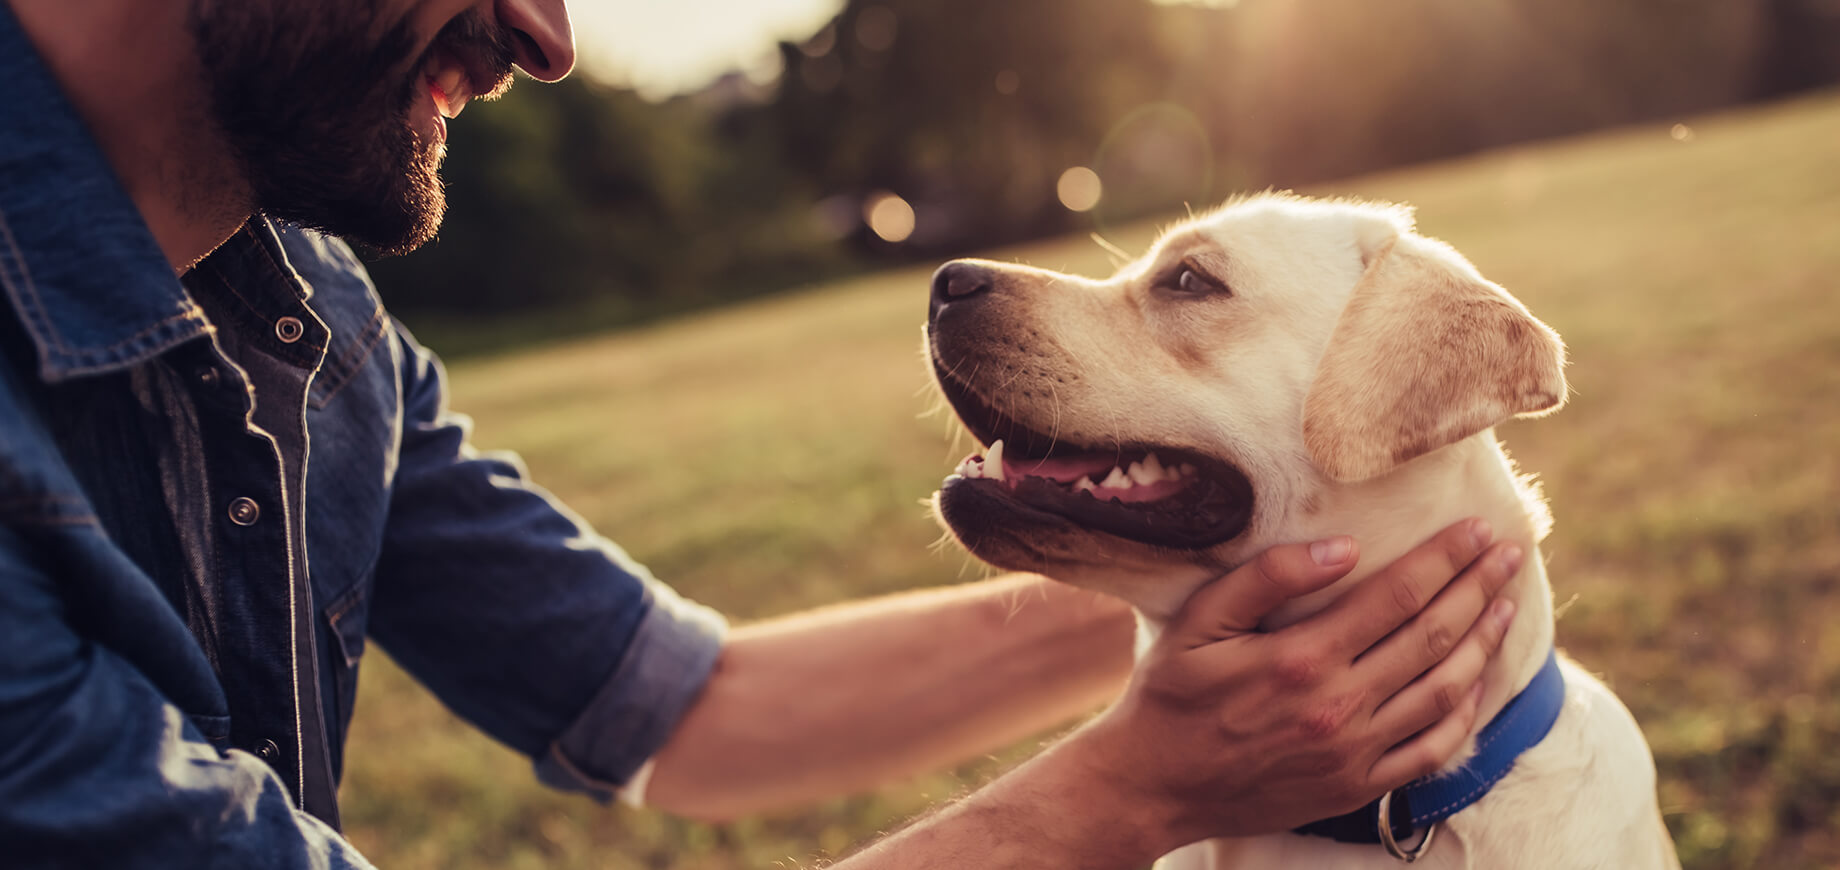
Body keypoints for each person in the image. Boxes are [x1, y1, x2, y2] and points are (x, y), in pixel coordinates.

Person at [0, 1, 1523, 867]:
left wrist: (1277, 596)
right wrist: (1134, 788)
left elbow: (694, 705)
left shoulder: (308, 321)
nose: (543, 33)